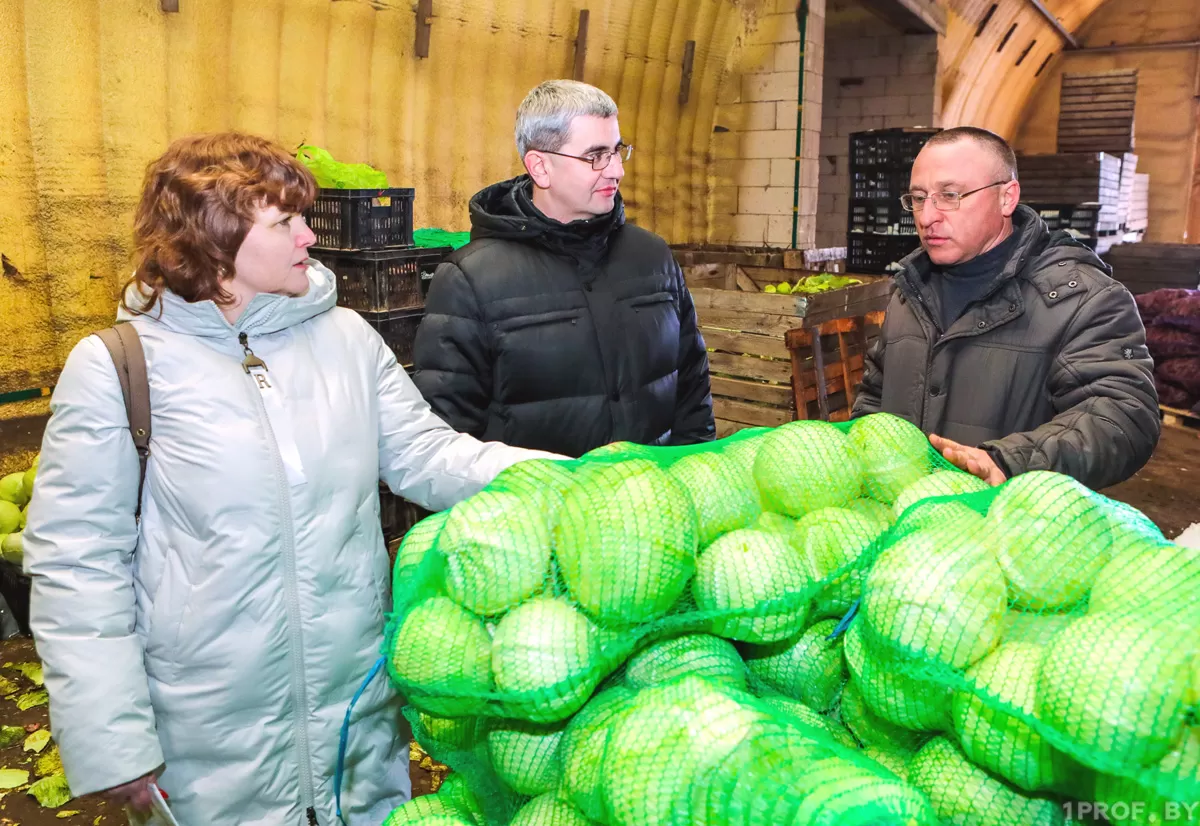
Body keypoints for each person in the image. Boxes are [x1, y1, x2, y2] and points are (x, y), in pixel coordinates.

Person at [22, 133, 560, 825]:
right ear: (214, 243)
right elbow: (77, 562)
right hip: (207, 736)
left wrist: (559, 476)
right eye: (285, 222)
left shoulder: (347, 340)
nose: (310, 235)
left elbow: (429, 455)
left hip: (354, 720)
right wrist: (111, 739)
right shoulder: (117, 367)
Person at [411, 80, 715, 457]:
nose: (616, 170)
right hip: (539, 513)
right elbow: (447, 440)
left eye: (618, 151)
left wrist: (692, 478)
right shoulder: (471, 279)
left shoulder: (652, 258)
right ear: (540, 166)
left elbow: (692, 388)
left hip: (654, 504)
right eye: (595, 156)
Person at [852, 126, 1159, 490]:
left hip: (1007, 532)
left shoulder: (1085, 300)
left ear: (1006, 197)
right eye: (918, 198)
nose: (927, 216)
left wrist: (1011, 462)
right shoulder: (909, 292)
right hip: (907, 529)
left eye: (950, 195)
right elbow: (874, 397)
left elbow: (1122, 418)